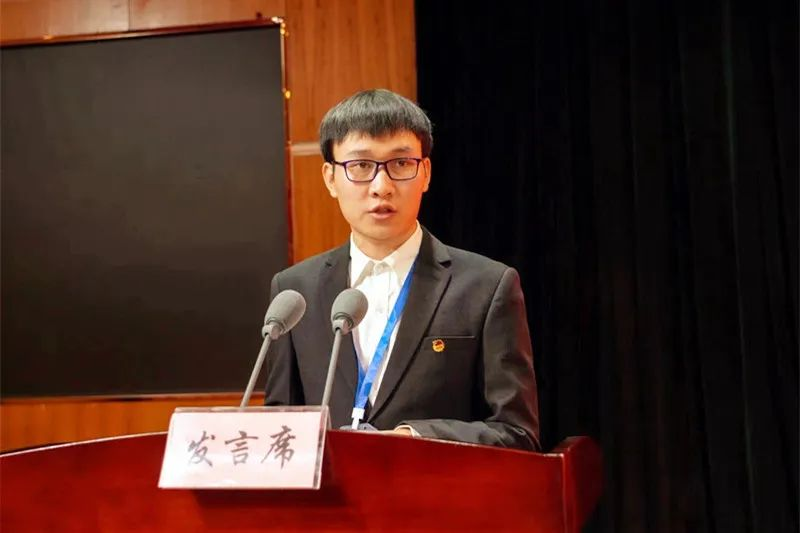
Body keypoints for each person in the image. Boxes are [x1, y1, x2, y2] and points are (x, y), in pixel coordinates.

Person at [264, 89, 540, 450]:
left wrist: (413, 440)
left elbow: (518, 434)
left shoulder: (486, 287)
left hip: (435, 486)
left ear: (425, 173)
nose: (381, 187)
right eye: (360, 166)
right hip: (332, 488)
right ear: (330, 178)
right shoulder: (295, 292)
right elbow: (279, 427)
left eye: (400, 164)